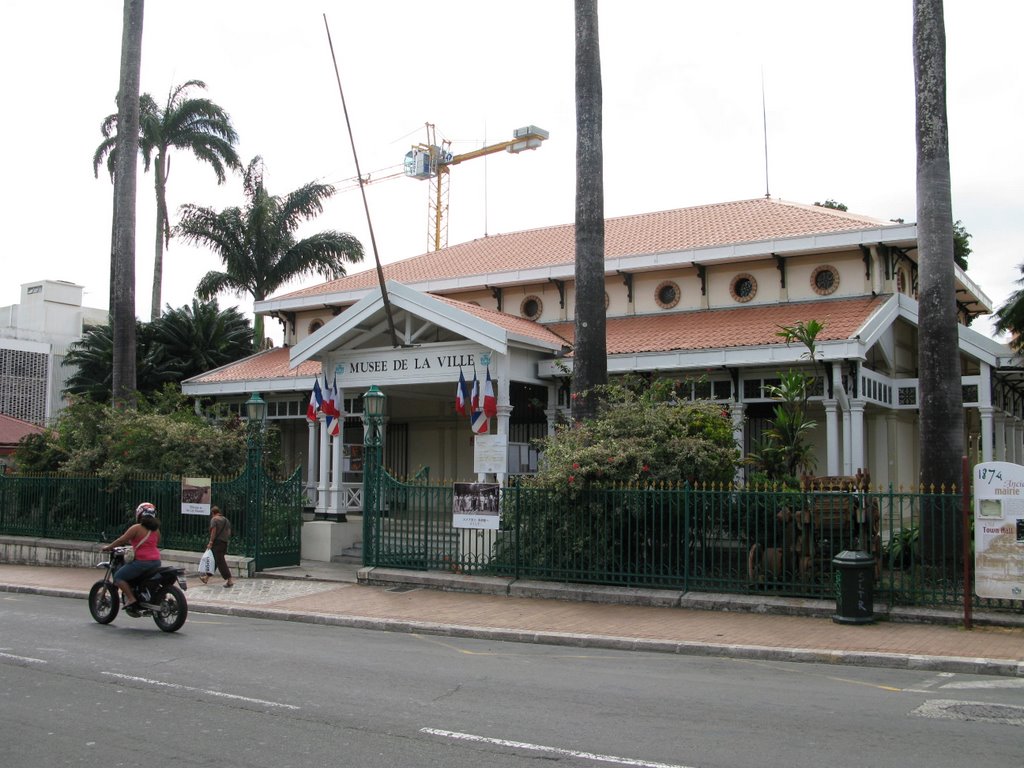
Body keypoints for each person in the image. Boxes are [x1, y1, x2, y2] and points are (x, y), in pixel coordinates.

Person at [102, 502, 161, 614]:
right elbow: (155, 542)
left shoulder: (136, 528)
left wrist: (108, 547)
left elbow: (121, 540)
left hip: (142, 563)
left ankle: (131, 598)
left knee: (119, 576)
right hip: (156, 562)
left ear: (139, 514)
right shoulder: (156, 530)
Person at [204, 505, 234, 587]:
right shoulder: (226, 520)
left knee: (220, 562)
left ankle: (229, 580)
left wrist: (210, 542)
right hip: (224, 543)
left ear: (213, 513)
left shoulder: (214, 519)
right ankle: (206, 578)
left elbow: (213, 531)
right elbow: (229, 532)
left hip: (217, 543)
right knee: (215, 560)